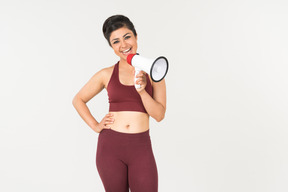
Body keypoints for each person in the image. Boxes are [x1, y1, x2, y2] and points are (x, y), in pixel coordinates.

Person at [72, 15, 166, 192]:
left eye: (127, 37)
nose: (123, 45)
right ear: (112, 47)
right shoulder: (106, 74)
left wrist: (142, 91)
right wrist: (95, 125)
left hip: (141, 147)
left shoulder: (155, 71)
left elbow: (159, 115)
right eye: (116, 41)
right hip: (110, 148)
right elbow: (78, 99)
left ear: (136, 36)